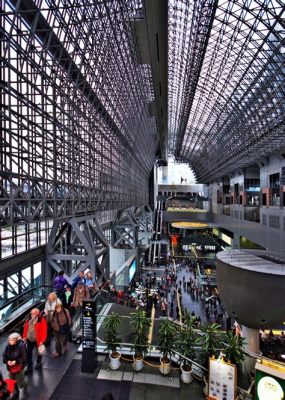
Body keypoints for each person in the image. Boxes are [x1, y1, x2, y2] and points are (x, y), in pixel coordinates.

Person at [3, 332, 27, 398]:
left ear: (15, 340)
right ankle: (15, 392)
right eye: (9, 340)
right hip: (11, 367)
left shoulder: (21, 346)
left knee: (20, 382)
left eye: (11, 340)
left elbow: (24, 358)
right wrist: (7, 361)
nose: (10, 341)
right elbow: (4, 356)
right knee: (12, 381)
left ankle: (25, 385)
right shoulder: (8, 346)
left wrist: (15, 362)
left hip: (19, 367)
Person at [22, 309, 47, 373]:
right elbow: (25, 329)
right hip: (30, 339)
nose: (32, 315)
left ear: (37, 313)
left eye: (33, 313)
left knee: (39, 351)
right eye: (31, 313)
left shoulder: (41, 320)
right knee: (29, 352)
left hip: (38, 339)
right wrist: (24, 337)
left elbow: (44, 331)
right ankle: (29, 366)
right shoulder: (28, 320)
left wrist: (42, 340)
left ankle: (38, 362)